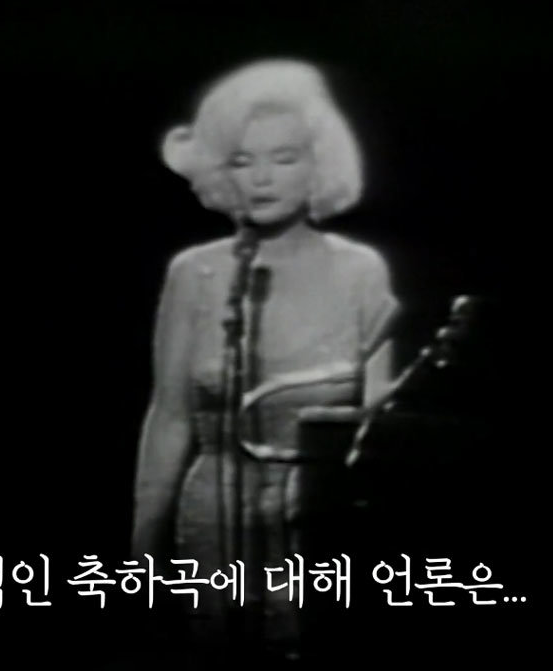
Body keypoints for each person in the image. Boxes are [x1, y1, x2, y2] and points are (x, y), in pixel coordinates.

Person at [130, 59, 400, 665]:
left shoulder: (360, 271)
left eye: (284, 158)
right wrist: (143, 546)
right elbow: (170, 416)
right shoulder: (196, 274)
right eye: (241, 161)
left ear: (318, 163)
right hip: (212, 519)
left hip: (318, 516)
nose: (261, 179)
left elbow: (377, 426)